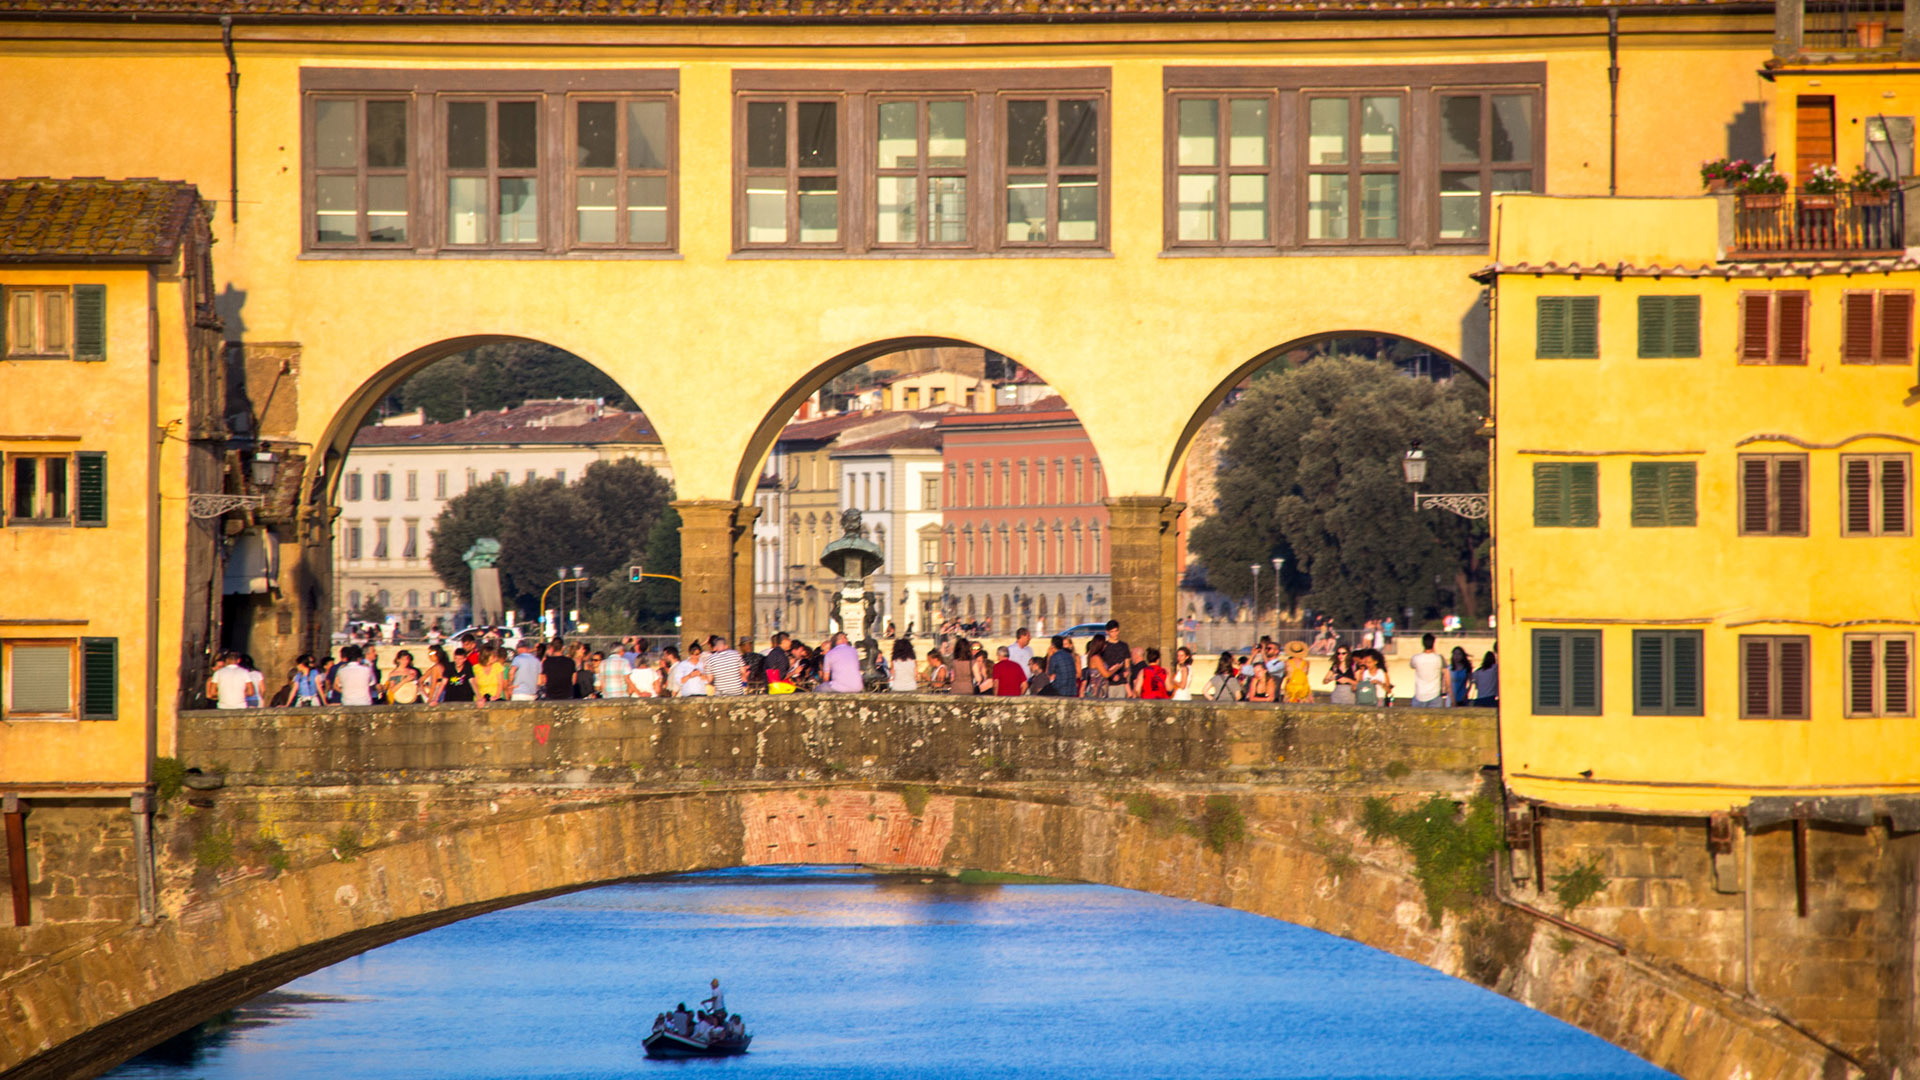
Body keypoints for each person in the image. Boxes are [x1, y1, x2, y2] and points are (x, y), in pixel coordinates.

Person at [1407, 633, 1447, 707]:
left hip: (1419, 694)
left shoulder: (1416, 658)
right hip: (1435, 694)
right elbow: (1446, 673)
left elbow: (1412, 666)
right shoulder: (1439, 658)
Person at [1100, 620, 1132, 699]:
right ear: (1107, 632)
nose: (1115, 634)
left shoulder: (1124, 646)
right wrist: (1111, 675)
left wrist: (1127, 671)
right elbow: (1101, 665)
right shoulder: (1104, 646)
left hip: (1121, 683)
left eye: (1116, 631)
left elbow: (1127, 664)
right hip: (1108, 683)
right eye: (1112, 632)